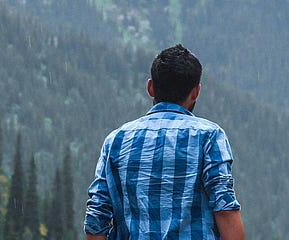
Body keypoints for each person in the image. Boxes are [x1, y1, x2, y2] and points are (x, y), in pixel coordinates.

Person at [85, 44, 246, 240]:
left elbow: (97, 217)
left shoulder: (116, 140)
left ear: (151, 87)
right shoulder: (209, 136)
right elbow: (225, 209)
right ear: (196, 92)